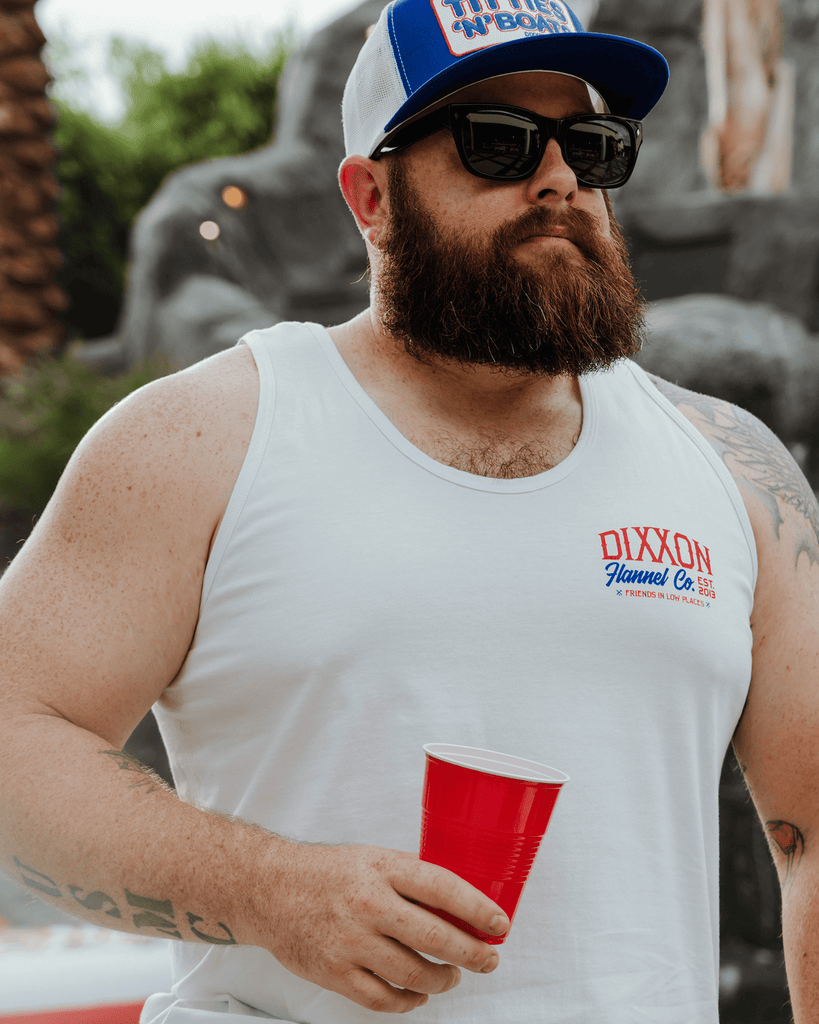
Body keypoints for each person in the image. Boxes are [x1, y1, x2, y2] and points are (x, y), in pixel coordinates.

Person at [1, 0, 817, 1020]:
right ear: (370, 195)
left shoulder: (733, 470)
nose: (558, 178)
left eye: (595, 147)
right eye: (498, 142)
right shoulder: (202, 439)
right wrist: (268, 891)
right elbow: (15, 735)